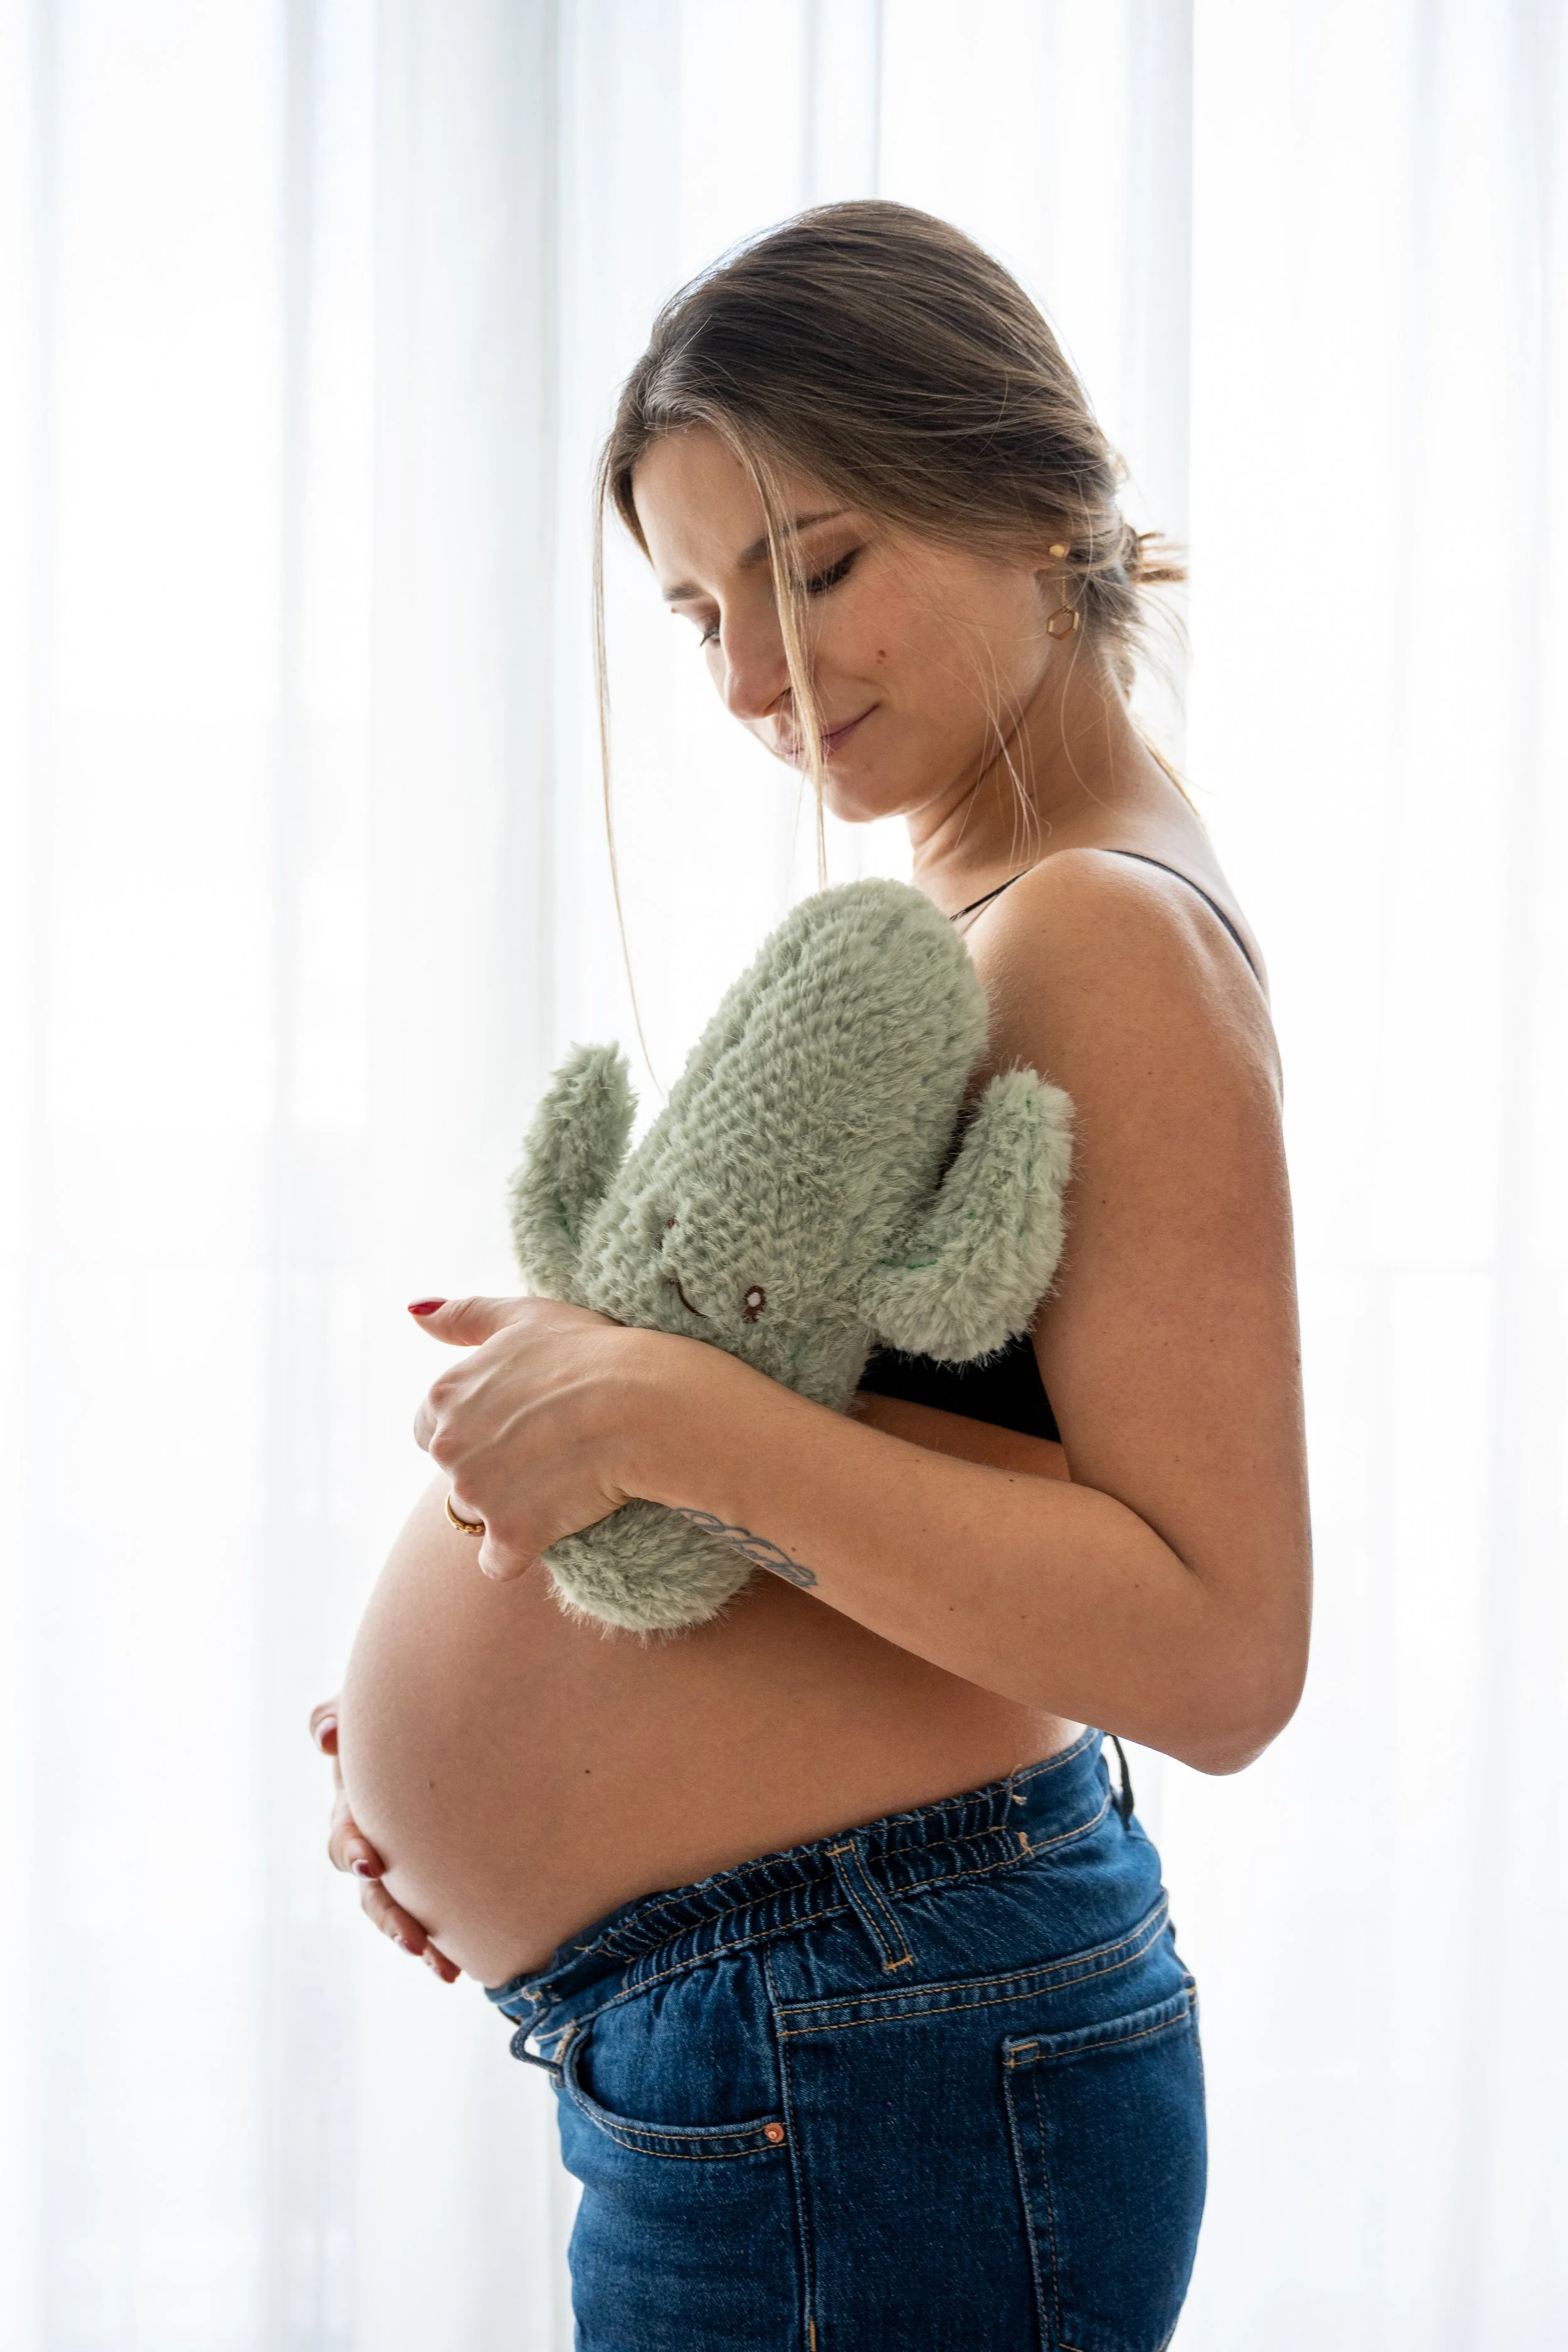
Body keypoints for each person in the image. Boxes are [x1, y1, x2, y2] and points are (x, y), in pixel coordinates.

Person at [310, 202, 1310, 2349]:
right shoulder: (1001, 914)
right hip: (818, 2025)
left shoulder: (1095, 932)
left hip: (873, 2034)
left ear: (1033, 498)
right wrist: (488, 1731)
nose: (759, 680)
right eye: (695, 618)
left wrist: (658, 1417)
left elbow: (1222, 1647)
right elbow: (926, 1497)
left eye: (817, 563)